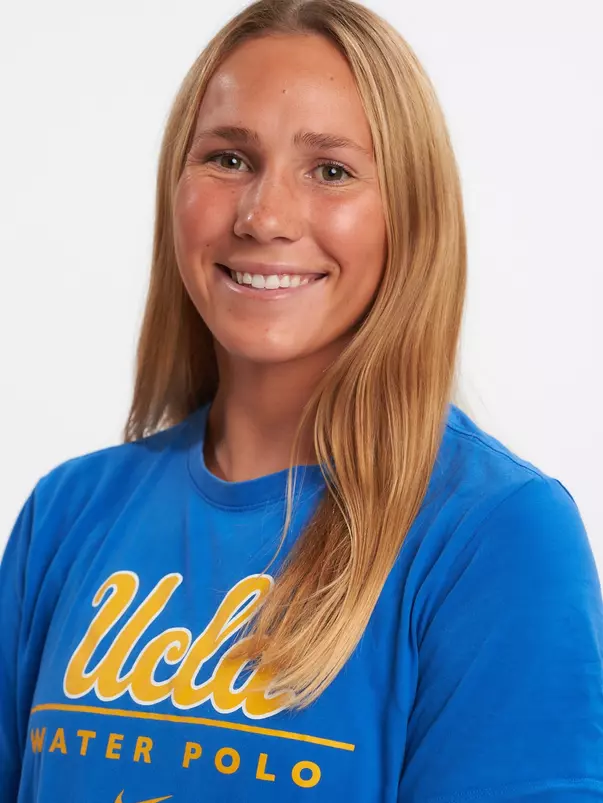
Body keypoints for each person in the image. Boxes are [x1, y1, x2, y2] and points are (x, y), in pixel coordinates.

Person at [1, 0, 602, 800]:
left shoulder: (496, 535)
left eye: (331, 171)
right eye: (227, 158)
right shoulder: (67, 513)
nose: (265, 215)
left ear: (409, 216)